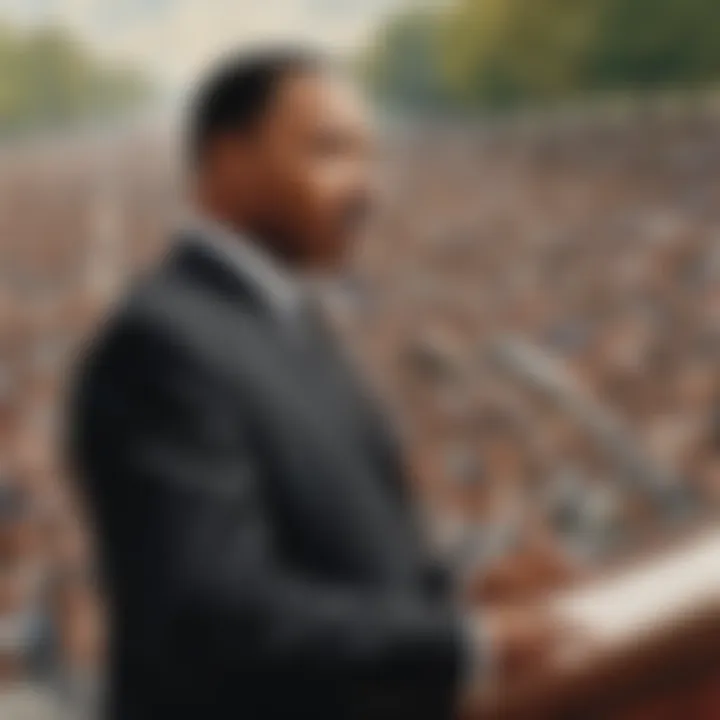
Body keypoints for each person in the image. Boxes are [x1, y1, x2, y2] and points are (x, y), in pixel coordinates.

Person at [68, 47, 561, 720]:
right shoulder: (160, 345)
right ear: (227, 162)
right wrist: (462, 641)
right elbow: (216, 614)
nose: (365, 187)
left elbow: (327, 560)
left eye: (368, 157)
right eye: (329, 152)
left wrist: (454, 592)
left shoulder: (287, 321)